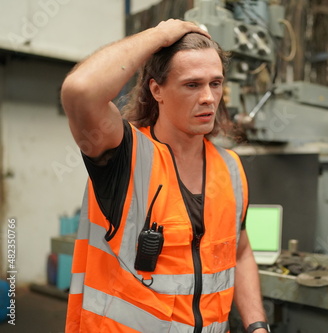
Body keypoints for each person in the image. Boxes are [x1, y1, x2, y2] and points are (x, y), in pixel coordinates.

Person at [61, 19, 270, 333]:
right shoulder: (126, 156)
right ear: (156, 89)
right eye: (192, 84)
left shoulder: (230, 169)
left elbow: (239, 252)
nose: (209, 98)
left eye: (215, 83)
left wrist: (257, 325)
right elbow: (81, 90)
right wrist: (160, 35)